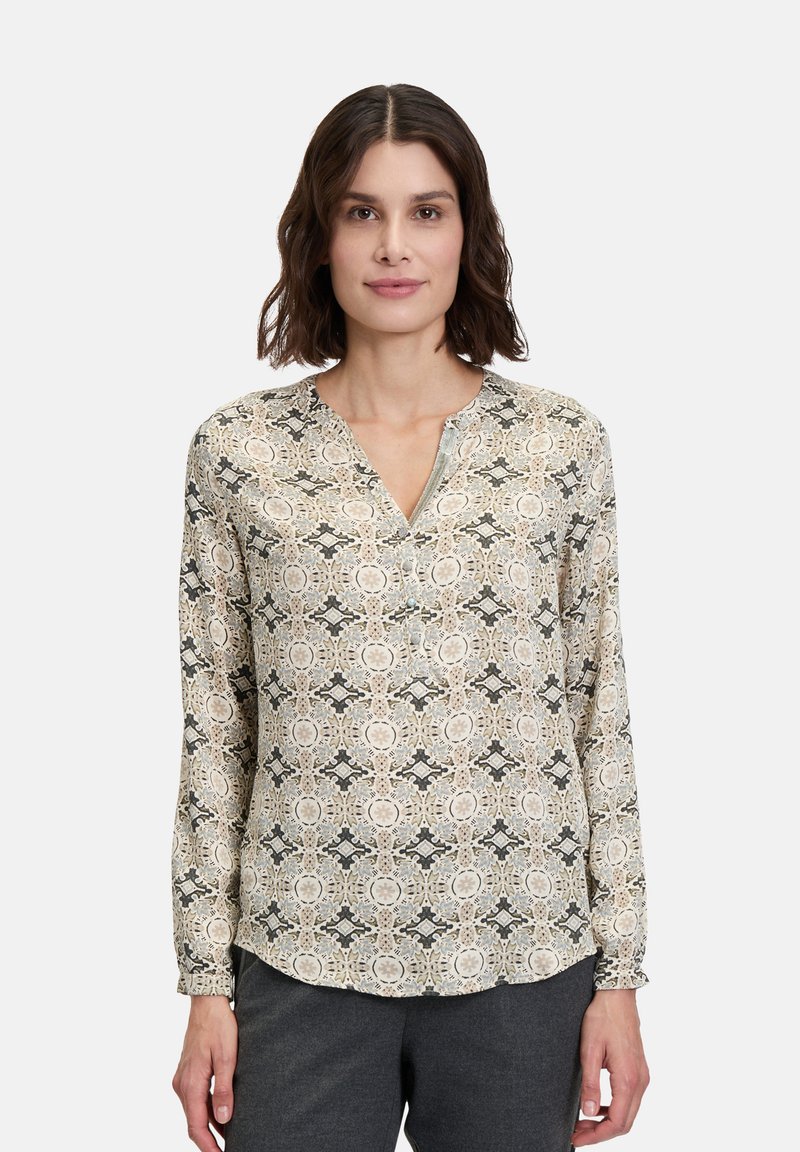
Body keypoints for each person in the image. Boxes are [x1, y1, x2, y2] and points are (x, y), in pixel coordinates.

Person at [170, 83, 650, 1152]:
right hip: (298, 958)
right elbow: (215, 732)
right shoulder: (239, 455)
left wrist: (618, 977)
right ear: (319, 234)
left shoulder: (559, 448)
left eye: (426, 211)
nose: (394, 245)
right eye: (362, 211)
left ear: (467, 231)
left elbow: (598, 714)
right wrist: (205, 982)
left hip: (524, 962)